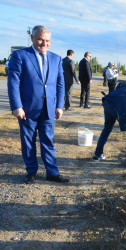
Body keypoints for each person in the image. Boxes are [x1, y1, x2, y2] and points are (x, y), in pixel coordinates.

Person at [7, 25, 69, 184]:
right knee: (28, 141)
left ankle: (52, 172)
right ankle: (31, 171)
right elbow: (13, 82)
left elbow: (60, 84)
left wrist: (59, 105)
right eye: (41, 39)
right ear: (32, 38)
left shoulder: (56, 58)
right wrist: (17, 106)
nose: (44, 43)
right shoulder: (20, 55)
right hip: (27, 109)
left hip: (49, 109)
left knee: (48, 140)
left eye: (47, 40)